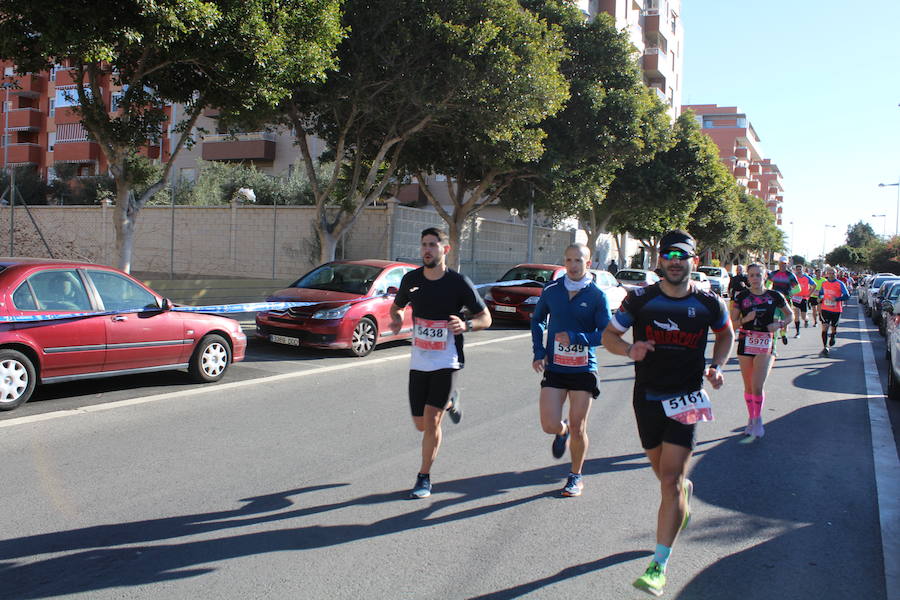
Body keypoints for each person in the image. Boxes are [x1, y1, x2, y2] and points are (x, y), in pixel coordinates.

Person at [602, 230, 734, 597]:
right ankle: (683, 495)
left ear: (693, 259)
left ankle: (659, 564)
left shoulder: (709, 302)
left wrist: (717, 365)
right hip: (647, 397)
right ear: (660, 260)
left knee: (669, 480)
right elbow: (609, 336)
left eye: (682, 255)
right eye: (668, 254)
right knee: (664, 475)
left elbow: (726, 335)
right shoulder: (640, 299)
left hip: (688, 397)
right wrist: (630, 350)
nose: (675, 261)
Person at [390, 227, 492, 499]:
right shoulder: (411, 279)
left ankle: (424, 477)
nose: (427, 249)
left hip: (447, 359)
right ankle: (451, 401)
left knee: (432, 422)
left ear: (445, 250)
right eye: (424, 244)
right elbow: (397, 306)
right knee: (420, 424)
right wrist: (398, 317)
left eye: (433, 245)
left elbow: (486, 318)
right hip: (419, 361)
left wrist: (467, 324)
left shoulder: (458, 283)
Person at [531, 243, 611, 497]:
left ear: (589, 263)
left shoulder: (597, 296)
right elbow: (537, 320)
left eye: (579, 260)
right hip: (555, 367)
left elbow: (606, 335)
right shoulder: (552, 290)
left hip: (583, 368)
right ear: (564, 262)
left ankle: (575, 476)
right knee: (549, 424)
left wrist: (578, 338)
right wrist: (539, 351)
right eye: (569, 260)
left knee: (579, 426)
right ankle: (561, 431)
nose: (574, 265)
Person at [730, 263, 793, 442]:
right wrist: (744, 319)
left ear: (765, 276)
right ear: (747, 278)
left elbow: (790, 315)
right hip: (746, 341)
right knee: (749, 386)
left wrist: (780, 325)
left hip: (765, 342)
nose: (755, 278)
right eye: (751, 275)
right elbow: (732, 324)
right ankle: (751, 418)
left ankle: (757, 420)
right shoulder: (741, 296)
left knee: (757, 385)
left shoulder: (775, 295)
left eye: (758, 275)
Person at [816, 266, 851, 357]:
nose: (831, 275)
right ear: (827, 274)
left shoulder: (840, 284)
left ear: (836, 274)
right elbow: (820, 294)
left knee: (833, 327)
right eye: (829, 273)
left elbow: (847, 295)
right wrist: (820, 298)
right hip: (825, 309)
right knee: (824, 327)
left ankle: (833, 335)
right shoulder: (824, 283)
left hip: (836, 310)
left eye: (833, 273)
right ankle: (825, 347)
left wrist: (837, 299)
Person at [767, 256, 800, 345]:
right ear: (778, 264)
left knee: (785, 324)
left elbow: (798, 288)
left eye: (785, 264)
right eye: (781, 263)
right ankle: (774, 348)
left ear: (787, 264)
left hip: (786, 303)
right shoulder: (773, 274)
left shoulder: (790, 275)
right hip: (775, 303)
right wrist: (770, 292)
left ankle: (783, 334)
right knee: (775, 322)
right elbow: (768, 285)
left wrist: (789, 293)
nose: (783, 265)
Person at [790, 264, 816, 335]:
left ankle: (806, 320)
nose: (798, 271)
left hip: (804, 298)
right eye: (797, 269)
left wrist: (809, 294)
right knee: (796, 314)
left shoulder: (807, 277)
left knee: (803, 316)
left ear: (803, 270)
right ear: (795, 270)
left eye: (800, 269)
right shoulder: (793, 277)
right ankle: (797, 332)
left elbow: (814, 285)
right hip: (795, 298)